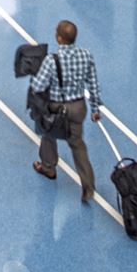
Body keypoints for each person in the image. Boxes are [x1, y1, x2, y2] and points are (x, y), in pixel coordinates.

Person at [29, 20, 103, 202]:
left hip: (56, 109)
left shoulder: (51, 61)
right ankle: (88, 187)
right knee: (78, 145)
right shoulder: (86, 55)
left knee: (48, 135)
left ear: (59, 38)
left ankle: (48, 166)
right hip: (78, 109)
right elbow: (93, 85)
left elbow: (38, 86)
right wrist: (95, 109)